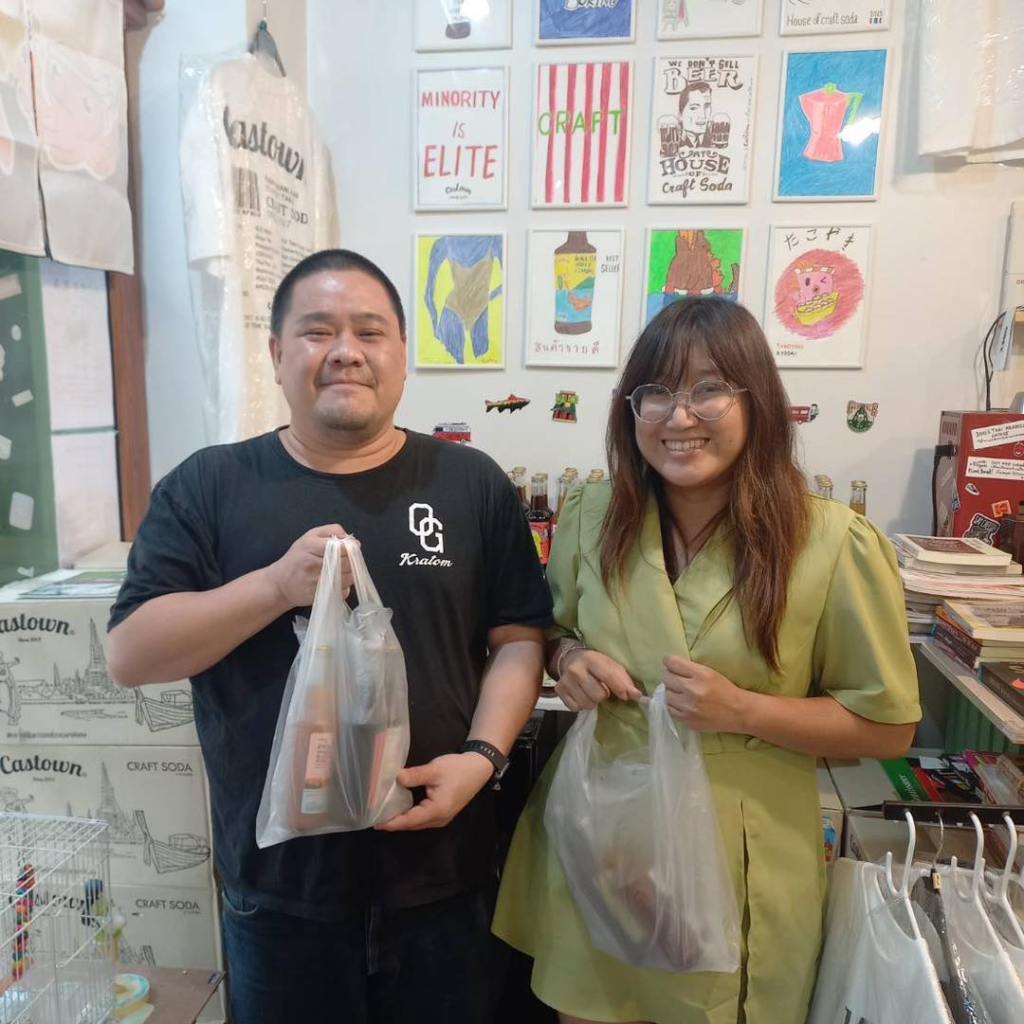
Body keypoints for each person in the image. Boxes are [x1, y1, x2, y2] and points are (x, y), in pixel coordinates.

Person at [107, 248, 551, 1023]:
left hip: (445, 878)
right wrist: (274, 587)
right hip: (279, 893)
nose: (345, 350)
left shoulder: (470, 482)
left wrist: (482, 759)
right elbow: (131, 655)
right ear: (276, 354)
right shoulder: (209, 486)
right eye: (317, 331)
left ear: (403, 356)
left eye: (369, 332)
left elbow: (518, 638)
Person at [493, 297, 920, 1024]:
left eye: (710, 389)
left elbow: (887, 727)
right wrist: (571, 658)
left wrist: (744, 711)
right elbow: (553, 631)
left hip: (741, 859)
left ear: (758, 402)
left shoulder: (830, 541)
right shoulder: (592, 515)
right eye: (656, 392)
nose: (679, 415)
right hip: (606, 837)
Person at [678, 80, 713, 148]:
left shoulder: (713, 142)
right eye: (693, 108)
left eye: (706, 106)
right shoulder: (673, 144)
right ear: (680, 115)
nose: (703, 115)